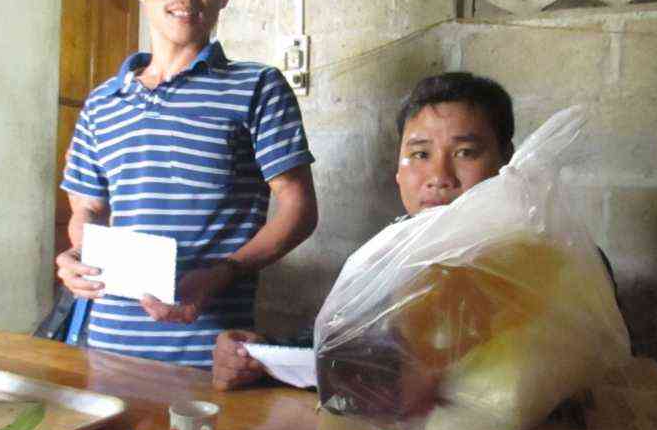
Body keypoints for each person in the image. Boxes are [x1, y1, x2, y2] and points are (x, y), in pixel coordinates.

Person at [56, 0, 318, 374]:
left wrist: (223, 272)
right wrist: (78, 258)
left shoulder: (257, 88)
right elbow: (88, 211)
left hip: (211, 360)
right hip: (108, 351)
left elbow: (300, 210)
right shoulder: (102, 103)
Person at [213, 72, 517, 389]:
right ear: (398, 170)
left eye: (465, 152)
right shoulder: (384, 255)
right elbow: (334, 345)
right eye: (420, 154)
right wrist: (256, 355)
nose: (439, 176)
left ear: (506, 161)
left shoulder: (523, 262)